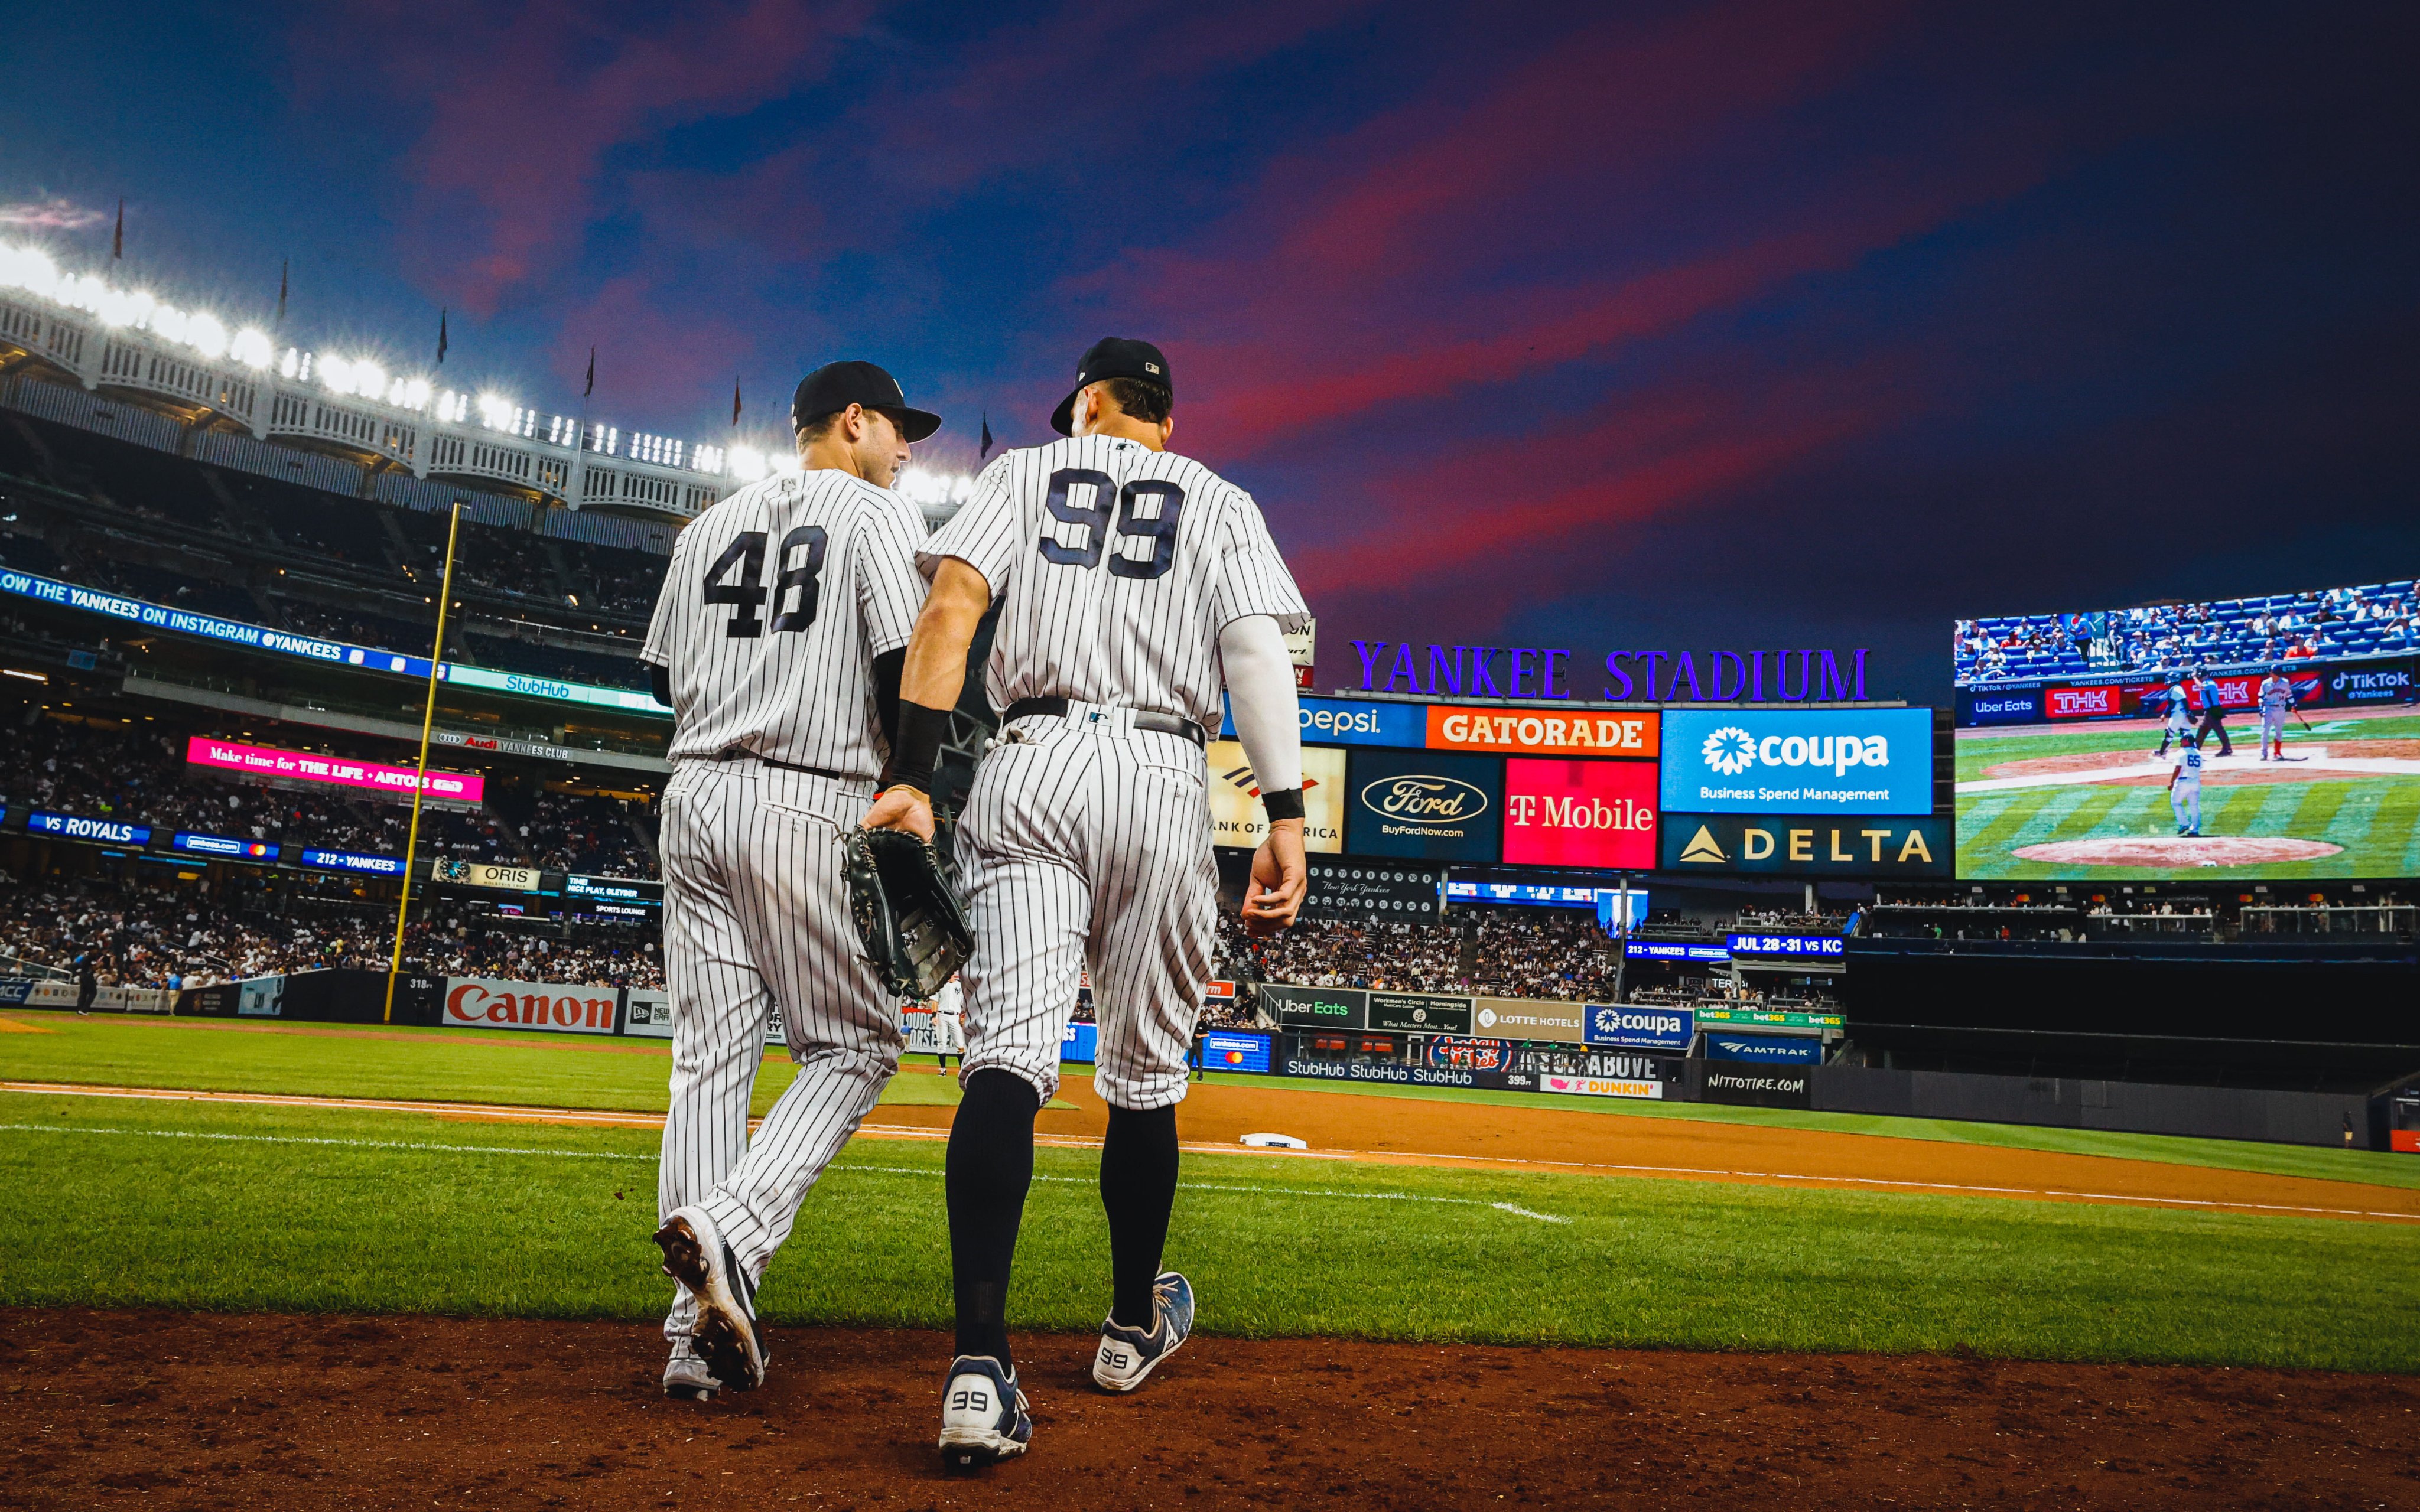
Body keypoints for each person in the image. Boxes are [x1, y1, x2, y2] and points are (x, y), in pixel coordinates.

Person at [860, 337, 1311, 1470]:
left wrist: (911, 777)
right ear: (1169, 417)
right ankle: (1124, 1329)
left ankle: (977, 1369)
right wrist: (1286, 816)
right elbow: (1256, 654)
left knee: (1006, 1060)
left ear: (1097, 402)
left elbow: (951, 614)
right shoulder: (1217, 497)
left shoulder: (1018, 474)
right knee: (1148, 1071)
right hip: (1165, 776)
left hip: (1034, 758)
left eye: (1079, 404)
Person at [640, 360, 941, 1402]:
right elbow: (911, 667)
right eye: (899, 430)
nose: (908, 451)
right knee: (856, 1041)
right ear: (850, 421)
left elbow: (661, 676)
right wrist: (912, 781)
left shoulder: (702, 528)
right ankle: (730, 1230)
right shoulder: (874, 515)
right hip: (808, 794)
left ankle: (692, 1337)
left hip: (692, 794)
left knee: (710, 1060)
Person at [2188, 664, 2234, 757]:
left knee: (2205, 729)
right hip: (2211, 710)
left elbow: (2201, 687)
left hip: (2213, 710)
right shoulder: (2207, 682)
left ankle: (2196, 749)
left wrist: (2194, 677)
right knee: (2214, 729)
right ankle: (2227, 748)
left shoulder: (2210, 683)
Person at [2257, 664, 2299, 761]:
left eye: (2272, 671)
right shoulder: (2265, 683)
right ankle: (2264, 753)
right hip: (2268, 709)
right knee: (2265, 731)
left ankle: (2277, 752)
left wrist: (2293, 704)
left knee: (2279, 731)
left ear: (2275, 673)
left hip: (2281, 709)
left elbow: (2289, 694)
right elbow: (2260, 697)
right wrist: (2260, 708)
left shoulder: (2285, 683)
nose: (2270, 673)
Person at [2168, 734, 2205, 838]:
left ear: (2187, 741)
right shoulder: (2198, 753)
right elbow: (2200, 767)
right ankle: (2195, 830)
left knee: (2176, 802)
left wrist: (2172, 782)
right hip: (2195, 781)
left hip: (2183, 782)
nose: (2181, 741)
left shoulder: (2181, 753)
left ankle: (2184, 824)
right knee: (2194, 806)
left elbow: (2178, 769)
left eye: (2183, 739)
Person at [2151, 672, 2192, 758]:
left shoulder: (2176, 689)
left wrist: (2165, 714)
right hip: (2183, 714)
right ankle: (2193, 752)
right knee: (2186, 734)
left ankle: (2163, 753)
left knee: (2170, 734)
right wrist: (2188, 713)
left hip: (2178, 715)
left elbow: (2176, 703)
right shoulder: (2176, 688)